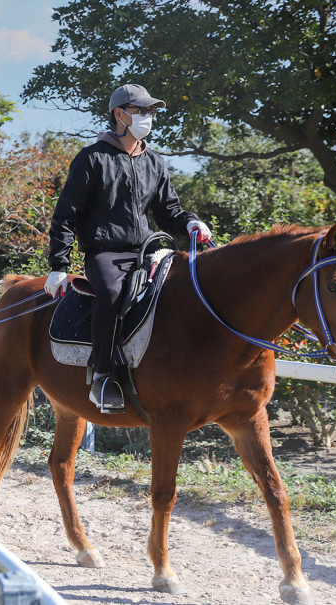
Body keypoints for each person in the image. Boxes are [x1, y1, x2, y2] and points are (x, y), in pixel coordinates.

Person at [44, 83, 212, 413]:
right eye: (142, 111)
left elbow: (169, 211)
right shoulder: (91, 159)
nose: (149, 118)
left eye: (150, 112)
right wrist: (58, 266)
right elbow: (66, 216)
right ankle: (103, 375)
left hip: (148, 251)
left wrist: (190, 222)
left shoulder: (155, 162)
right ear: (120, 114)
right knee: (110, 293)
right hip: (104, 253)